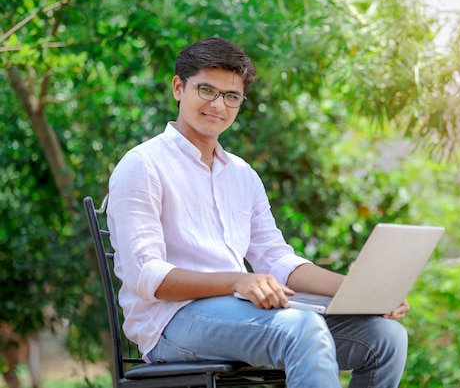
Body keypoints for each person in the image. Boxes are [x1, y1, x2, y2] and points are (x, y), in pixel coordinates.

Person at [107, 36, 409, 388]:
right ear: (179, 87)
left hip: (239, 315)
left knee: (386, 337)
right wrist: (238, 280)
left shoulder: (242, 174)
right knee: (301, 328)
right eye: (207, 90)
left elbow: (276, 259)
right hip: (173, 324)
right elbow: (148, 277)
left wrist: (358, 293)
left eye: (231, 96)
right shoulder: (142, 165)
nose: (218, 105)